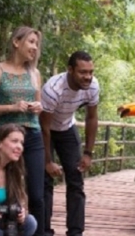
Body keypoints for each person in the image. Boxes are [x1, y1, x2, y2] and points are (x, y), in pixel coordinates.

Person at [0, 26, 46, 236]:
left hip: (33, 136)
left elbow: (39, 103)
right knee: (4, 193)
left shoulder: (34, 73)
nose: (35, 48)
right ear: (16, 42)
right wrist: (11, 107)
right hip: (6, 138)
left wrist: (38, 107)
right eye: (31, 42)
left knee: (36, 195)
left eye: (37, 44)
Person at [40, 51, 99, 236]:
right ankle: (44, 231)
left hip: (67, 128)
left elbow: (92, 118)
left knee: (76, 180)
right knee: (44, 181)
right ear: (70, 70)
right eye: (83, 72)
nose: (87, 77)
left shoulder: (93, 86)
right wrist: (47, 161)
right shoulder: (53, 89)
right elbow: (44, 127)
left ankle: (75, 231)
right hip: (45, 130)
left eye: (90, 72)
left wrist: (88, 153)